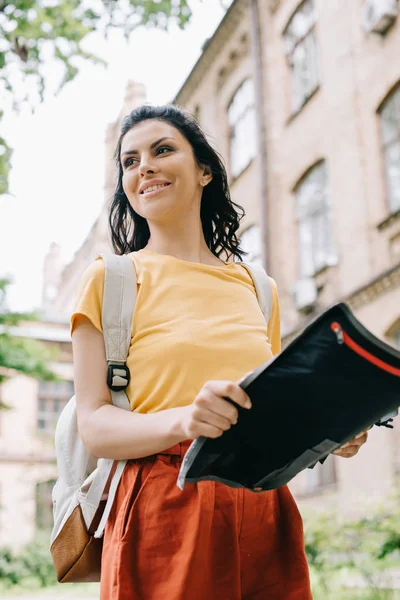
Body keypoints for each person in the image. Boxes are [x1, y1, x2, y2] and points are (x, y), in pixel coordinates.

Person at [71, 104, 369, 600]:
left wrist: (326, 433)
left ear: (204, 169)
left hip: (262, 506)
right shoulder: (111, 279)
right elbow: (95, 426)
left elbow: (269, 416)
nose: (143, 165)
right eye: (129, 160)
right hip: (163, 506)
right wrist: (187, 420)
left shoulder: (259, 288)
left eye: (162, 149)